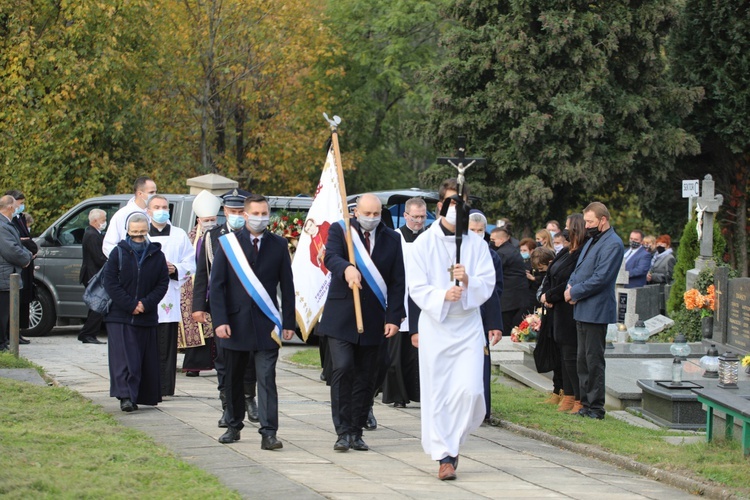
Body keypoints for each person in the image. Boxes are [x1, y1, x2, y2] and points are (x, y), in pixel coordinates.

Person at [408, 178, 498, 481]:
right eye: (451, 203)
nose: (457, 209)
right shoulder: (423, 243)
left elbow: (488, 282)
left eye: (462, 203)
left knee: (471, 390)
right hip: (437, 326)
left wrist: (469, 281)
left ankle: (454, 442)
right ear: (439, 206)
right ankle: (444, 456)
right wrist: (442, 295)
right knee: (439, 393)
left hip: (467, 326)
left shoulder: (476, 244)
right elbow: (416, 286)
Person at [315, 193, 405, 453]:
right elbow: (330, 256)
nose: (372, 218)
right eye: (367, 214)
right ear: (356, 212)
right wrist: (346, 268)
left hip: (375, 318)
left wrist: (394, 318)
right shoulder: (340, 230)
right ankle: (342, 432)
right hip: (342, 317)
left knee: (367, 376)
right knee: (342, 369)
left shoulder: (392, 238)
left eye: (376, 214)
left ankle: (356, 431)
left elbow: (398, 281)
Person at [210, 194, 296, 448]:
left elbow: (288, 287)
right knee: (233, 379)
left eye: (264, 213)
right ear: (244, 215)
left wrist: (289, 322)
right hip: (234, 325)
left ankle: (269, 432)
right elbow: (217, 287)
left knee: (266, 379)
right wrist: (220, 320)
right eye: (256, 213)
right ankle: (233, 425)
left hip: (266, 325)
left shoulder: (279, 245)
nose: (261, 218)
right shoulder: (227, 244)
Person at [191, 189, 259, 426]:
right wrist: (198, 305)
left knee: (250, 357)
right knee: (224, 358)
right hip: (222, 308)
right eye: (232, 211)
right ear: (225, 212)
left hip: (251, 308)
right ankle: (227, 405)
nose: (237, 216)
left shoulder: (256, 236)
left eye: (241, 212)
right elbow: (203, 273)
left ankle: (249, 398)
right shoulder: (213, 236)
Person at [103, 213, 169, 412]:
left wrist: (145, 304)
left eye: (142, 233)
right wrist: (130, 304)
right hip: (120, 315)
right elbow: (110, 283)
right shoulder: (118, 253)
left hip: (146, 315)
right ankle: (125, 396)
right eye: (134, 234)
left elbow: (162, 284)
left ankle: (139, 394)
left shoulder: (157, 254)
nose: (138, 238)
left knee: (141, 358)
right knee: (123, 358)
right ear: (127, 232)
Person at [564, 202, 623, 420]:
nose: (586, 226)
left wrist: (575, 292)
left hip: (596, 309)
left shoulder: (613, 244)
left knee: (593, 359)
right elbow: (579, 269)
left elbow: (601, 277)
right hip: (582, 307)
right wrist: (570, 288)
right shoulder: (592, 240)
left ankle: (596, 407)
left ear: (603, 220)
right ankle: (585, 404)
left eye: (590, 222)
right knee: (582, 360)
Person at [146, 195, 196, 397]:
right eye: (156, 207)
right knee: (147, 345)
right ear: (148, 211)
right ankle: (148, 386)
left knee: (167, 345)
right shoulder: (141, 233)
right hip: (147, 297)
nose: (161, 210)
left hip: (169, 297)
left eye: (164, 207)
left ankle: (165, 387)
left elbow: (191, 262)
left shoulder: (179, 234)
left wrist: (174, 268)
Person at [381, 197, 426, 409]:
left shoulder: (430, 238)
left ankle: (421, 393)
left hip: (423, 299)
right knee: (396, 352)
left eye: (422, 216)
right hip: (399, 298)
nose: (418, 221)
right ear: (406, 215)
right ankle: (397, 395)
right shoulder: (393, 237)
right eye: (415, 216)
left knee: (420, 353)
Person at [540, 214, 585, 415]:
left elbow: (568, 280)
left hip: (568, 307)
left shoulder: (580, 253)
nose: (564, 230)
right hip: (555, 308)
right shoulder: (565, 251)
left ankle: (576, 396)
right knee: (563, 354)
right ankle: (566, 393)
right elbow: (551, 274)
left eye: (568, 227)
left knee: (570, 355)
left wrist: (551, 294)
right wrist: (544, 294)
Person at [180, 190, 221, 377]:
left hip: (214, 285)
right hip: (195, 286)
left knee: (214, 327)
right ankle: (194, 365)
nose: (210, 223)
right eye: (206, 220)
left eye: (213, 219)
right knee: (196, 327)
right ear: (199, 221)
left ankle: (216, 362)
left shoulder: (221, 236)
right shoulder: (191, 238)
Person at [468, 211, 504, 422]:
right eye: (472, 230)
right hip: (459, 314)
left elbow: (495, 290)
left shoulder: (492, 256)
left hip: (481, 315)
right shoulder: (456, 253)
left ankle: (483, 411)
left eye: (480, 231)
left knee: (481, 363)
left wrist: (493, 322)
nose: (476, 234)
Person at [0, 195, 33, 351]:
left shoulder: (7, 224)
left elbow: (18, 244)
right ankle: (2, 345)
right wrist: (26, 258)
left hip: (8, 275)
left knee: (7, 312)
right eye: (16, 205)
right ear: (10, 207)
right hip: (5, 276)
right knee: (3, 313)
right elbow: (11, 249)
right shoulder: (2, 225)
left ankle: (4, 342)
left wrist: (26, 254)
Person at [103, 176, 157, 256]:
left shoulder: (156, 213)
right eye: (151, 192)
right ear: (140, 194)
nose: (155, 195)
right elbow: (108, 246)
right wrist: (126, 261)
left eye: (156, 192)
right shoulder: (122, 215)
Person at [78, 209, 108, 344]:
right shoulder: (91, 235)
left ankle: (87, 333)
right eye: (103, 220)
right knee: (97, 305)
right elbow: (98, 257)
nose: (104, 222)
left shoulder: (95, 233)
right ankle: (88, 333)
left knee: (95, 306)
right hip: (93, 275)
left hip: (94, 274)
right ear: (95, 221)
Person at [490, 226, 528, 333]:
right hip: (517, 297)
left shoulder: (502, 253)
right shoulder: (511, 249)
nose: (491, 243)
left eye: (493, 240)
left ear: (501, 239)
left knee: (506, 329)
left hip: (509, 300)